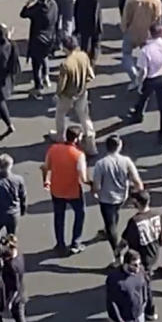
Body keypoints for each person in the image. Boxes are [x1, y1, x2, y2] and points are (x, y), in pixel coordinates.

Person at [91, 134, 143, 264]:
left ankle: (117, 254)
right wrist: (138, 195)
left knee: (111, 226)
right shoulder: (126, 161)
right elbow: (137, 181)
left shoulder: (101, 164)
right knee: (114, 214)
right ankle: (107, 231)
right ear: (119, 146)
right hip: (121, 197)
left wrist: (95, 193)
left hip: (106, 198)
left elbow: (96, 185)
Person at [42, 126, 89, 254]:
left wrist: (45, 180)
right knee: (80, 214)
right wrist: (93, 184)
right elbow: (83, 178)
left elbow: (45, 167)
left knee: (59, 216)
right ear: (77, 139)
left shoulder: (53, 149)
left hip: (56, 189)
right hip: (73, 191)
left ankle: (60, 244)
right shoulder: (79, 155)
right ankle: (75, 242)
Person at [120, 191, 162, 321]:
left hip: (141, 257)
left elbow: (125, 241)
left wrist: (118, 251)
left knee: (146, 283)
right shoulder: (157, 215)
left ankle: (150, 310)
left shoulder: (135, 221)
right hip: (154, 252)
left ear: (137, 203)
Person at [130, 24, 162, 141]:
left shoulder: (145, 50)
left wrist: (139, 83)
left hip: (150, 79)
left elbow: (143, 70)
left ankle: (138, 115)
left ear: (150, 34)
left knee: (143, 97)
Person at [54, 35, 97, 153]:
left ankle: (60, 137)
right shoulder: (83, 56)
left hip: (68, 95)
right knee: (84, 116)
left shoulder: (65, 64)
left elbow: (62, 85)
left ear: (65, 48)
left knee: (60, 114)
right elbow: (91, 75)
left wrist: (57, 94)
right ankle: (91, 143)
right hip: (82, 92)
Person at [118, 0, 161, 90]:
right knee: (148, 59)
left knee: (126, 55)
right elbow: (157, 19)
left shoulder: (131, 0)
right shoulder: (156, 2)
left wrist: (124, 29)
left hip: (132, 32)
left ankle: (135, 78)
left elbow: (126, 17)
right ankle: (146, 78)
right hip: (148, 34)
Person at [20, 0, 59, 97]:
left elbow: (23, 14)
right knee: (45, 56)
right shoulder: (53, 5)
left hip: (37, 40)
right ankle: (46, 76)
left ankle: (38, 86)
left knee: (36, 64)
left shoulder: (37, 9)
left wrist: (28, 3)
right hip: (50, 37)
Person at [0, 234, 27, 322]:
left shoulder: (12, 266)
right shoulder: (18, 255)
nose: (2, 249)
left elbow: (15, 287)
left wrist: (9, 303)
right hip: (20, 293)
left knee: (0, 315)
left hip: (12, 295)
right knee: (20, 319)